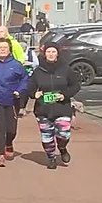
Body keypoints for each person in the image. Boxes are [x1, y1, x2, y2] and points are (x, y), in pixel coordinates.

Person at [28, 41, 81, 170]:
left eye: (53, 52)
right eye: (48, 52)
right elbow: (30, 88)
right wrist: (35, 94)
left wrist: (64, 95)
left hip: (62, 107)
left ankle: (62, 148)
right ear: (44, 54)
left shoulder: (65, 69)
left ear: (57, 53)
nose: (51, 54)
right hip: (43, 109)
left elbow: (75, 85)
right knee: (47, 137)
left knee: (64, 134)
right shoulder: (38, 71)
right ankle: (51, 157)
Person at [0, 37, 29, 167]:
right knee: (0, 128)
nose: (2, 50)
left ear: (10, 50)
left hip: (13, 99)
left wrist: (19, 90)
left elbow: (25, 80)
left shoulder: (16, 65)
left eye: (5, 48)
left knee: (11, 129)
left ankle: (9, 143)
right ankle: (1, 154)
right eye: (0, 47)